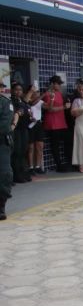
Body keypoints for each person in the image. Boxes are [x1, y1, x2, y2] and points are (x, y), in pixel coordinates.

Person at [42, 75, 71, 172]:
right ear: (52, 84)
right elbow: (50, 109)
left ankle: (68, 162)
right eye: (58, 84)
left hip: (62, 123)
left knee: (67, 142)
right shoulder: (48, 94)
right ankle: (59, 165)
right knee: (55, 146)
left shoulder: (59, 93)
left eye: (60, 84)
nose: (59, 86)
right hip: (53, 124)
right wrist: (64, 107)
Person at [9, 82, 31, 183]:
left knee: (23, 151)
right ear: (12, 90)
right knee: (16, 152)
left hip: (24, 128)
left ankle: (23, 173)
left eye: (20, 90)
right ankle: (16, 175)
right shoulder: (10, 102)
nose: (18, 92)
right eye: (16, 89)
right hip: (16, 130)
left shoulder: (23, 101)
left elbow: (26, 112)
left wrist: (31, 117)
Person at [25, 86, 45, 175]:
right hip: (30, 125)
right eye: (34, 91)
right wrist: (45, 93)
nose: (36, 93)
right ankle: (30, 167)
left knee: (39, 146)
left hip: (38, 124)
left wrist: (52, 99)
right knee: (31, 147)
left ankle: (38, 167)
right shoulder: (26, 100)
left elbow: (50, 108)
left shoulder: (40, 101)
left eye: (37, 91)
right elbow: (32, 103)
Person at [0, 78, 13, 220]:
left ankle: (1, 206)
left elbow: (4, 124)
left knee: (4, 174)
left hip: (1, 143)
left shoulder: (5, 103)